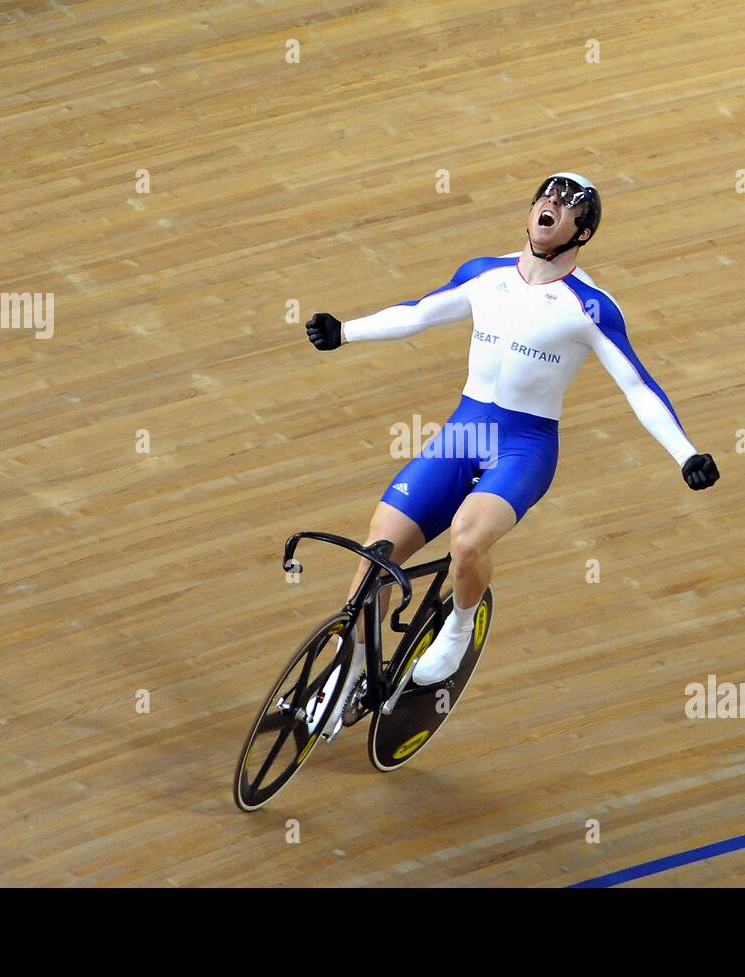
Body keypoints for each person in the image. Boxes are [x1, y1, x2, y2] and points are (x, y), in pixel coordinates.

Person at [303, 173, 719, 735]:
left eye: (568, 205)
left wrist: (684, 452)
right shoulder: (486, 274)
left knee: (468, 539)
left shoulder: (590, 306)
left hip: (523, 448)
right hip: (464, 432)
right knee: (378, 549)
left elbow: (638, 385)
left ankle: (457, 629)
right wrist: (345, 331)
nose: (551, 205)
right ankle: (348, 662)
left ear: (583, 232)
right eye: (546, 196)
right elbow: (419, 313)